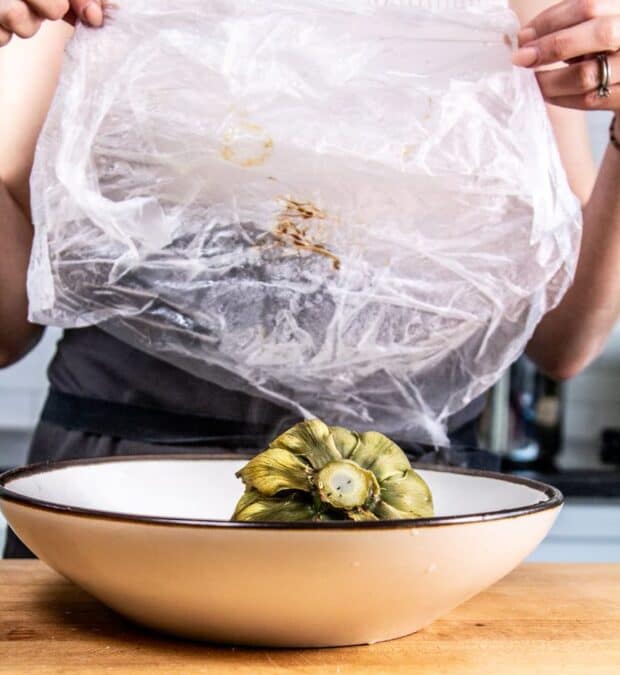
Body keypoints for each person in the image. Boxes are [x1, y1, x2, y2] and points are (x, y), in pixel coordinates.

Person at [1, 0, 620, 557]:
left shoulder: (522, 8)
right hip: (115, 492)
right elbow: (7, 329)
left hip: (404, 505)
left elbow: (563, 341)